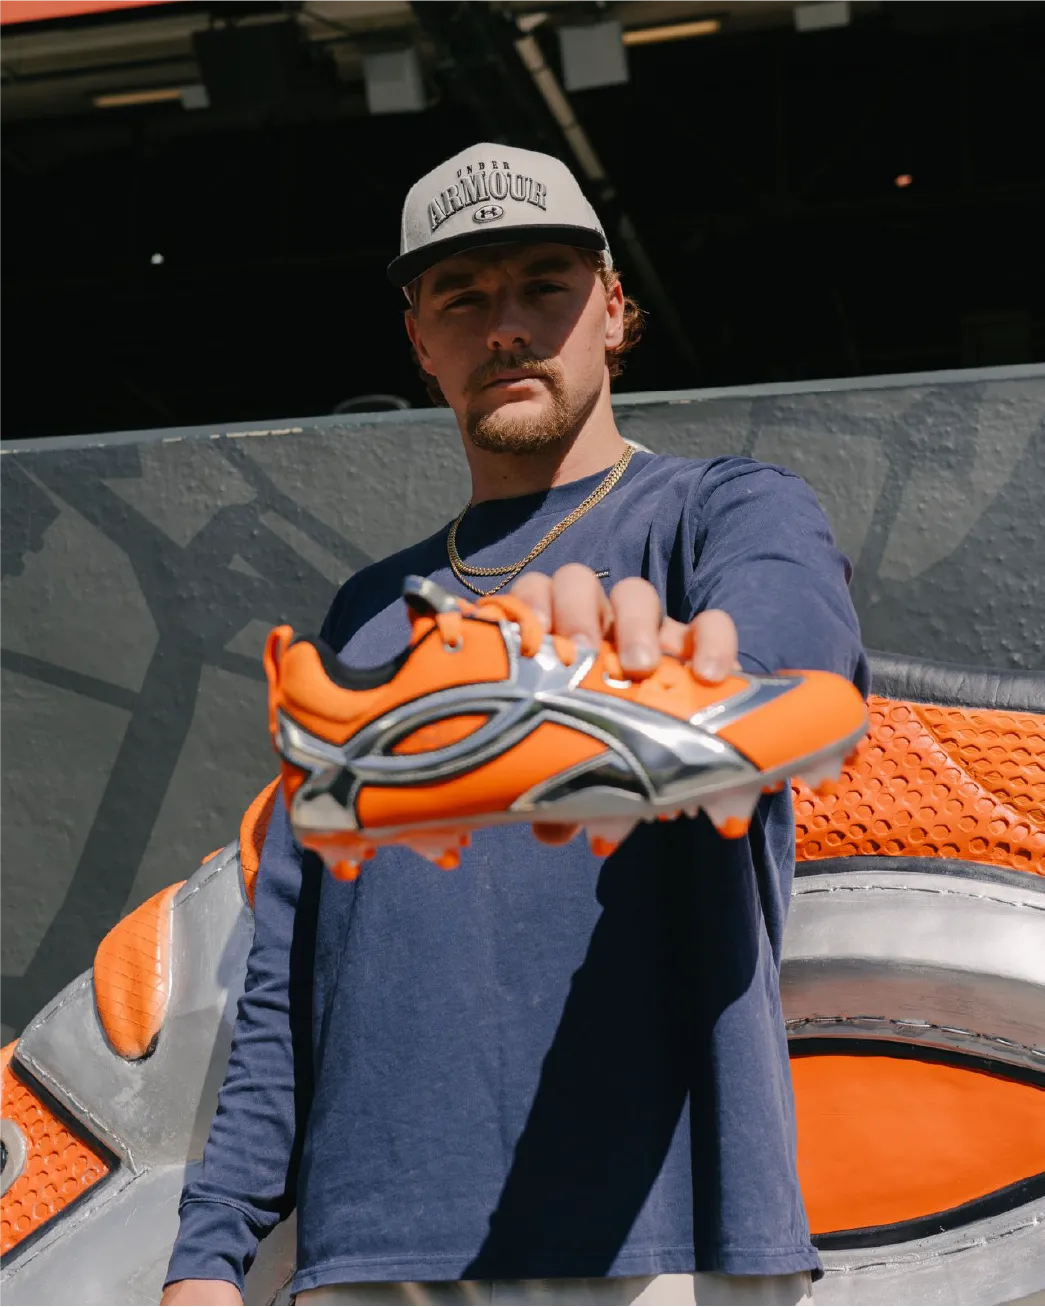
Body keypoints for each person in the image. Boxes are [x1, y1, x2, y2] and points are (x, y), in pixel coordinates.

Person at [161, 142, 868, 1307]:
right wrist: (209, 1248)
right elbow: (293, 953)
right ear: (419, 342)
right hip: (372, 1253)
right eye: (462, 297)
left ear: (613, 309)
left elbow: (788, 693)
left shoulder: (724, 512)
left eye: (545, 284)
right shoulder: (367, 614)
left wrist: (663, 684)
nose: (506, 326)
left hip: (662, 1242)